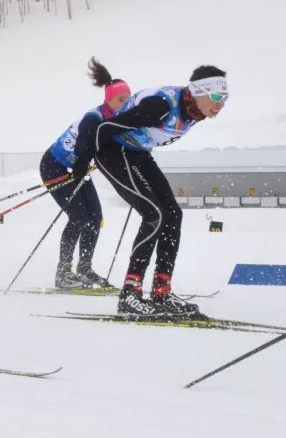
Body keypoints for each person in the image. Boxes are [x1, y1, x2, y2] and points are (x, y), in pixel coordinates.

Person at [67, 65, 229, 318]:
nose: (220, 105)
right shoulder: (160, 107)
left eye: (225, 99)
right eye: (217, 97)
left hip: (137, 154)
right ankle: (130, 294)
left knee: (173, 214)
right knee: (154, 214)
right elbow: (105, 128)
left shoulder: (193, 108)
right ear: (199, 91)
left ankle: (161, 292)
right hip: (113, 153)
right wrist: (81, 160)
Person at [41, 57, 130, 289]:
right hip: (55, 166)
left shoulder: (117, 118)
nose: (126, 103)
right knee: (78, 218)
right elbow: (82, 147)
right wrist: (83, 165)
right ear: (109, 100)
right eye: (122, 99)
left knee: (94, 218)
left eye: (128, 99)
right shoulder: (95, 118)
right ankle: (63, 273)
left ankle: (84, 269)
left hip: (76, 169)